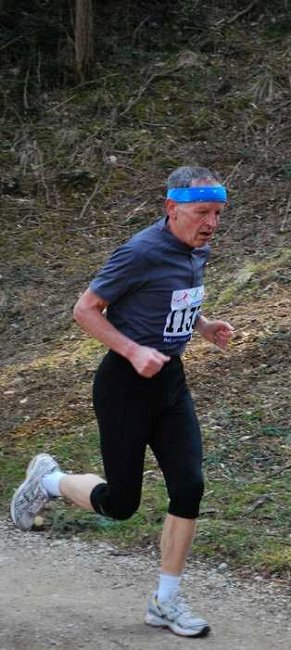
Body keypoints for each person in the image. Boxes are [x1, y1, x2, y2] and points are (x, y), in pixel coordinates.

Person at [10, 165, 234, 638]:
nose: (212, 223)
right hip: (124, 386)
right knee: (121, 504)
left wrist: (202, 325)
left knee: (189, 487)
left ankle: (165, 602)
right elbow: (85, 310)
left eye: (217, 213)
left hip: (170, 381)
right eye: (202, 212)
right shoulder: (140, 252)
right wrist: (132, 350)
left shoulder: (197, 248)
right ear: (171, 208)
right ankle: (48, 480)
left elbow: (173, 299)